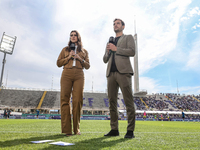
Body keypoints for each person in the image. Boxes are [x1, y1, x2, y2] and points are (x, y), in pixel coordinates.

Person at [103, 18, 136, 138]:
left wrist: (116, 49)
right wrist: (108, 51)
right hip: (110, 74)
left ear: (123, 26)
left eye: (117, 23)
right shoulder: (110, 41)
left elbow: (132, 51)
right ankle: (114, 129)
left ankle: (130, 131)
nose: (115, 25)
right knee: (111, 102)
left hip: (124, 72)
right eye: (114, 24)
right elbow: (105, 60)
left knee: (128, 101)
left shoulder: (128, 37)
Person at [57, 30, 90, 136]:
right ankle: (67, 130)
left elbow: (88, 66)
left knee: (77, 101)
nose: (73, 37)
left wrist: (79, 58)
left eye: (75, 35)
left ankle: (76, 129)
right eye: (71, 35)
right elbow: (58, 63)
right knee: (64, 100)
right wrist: (68, 57)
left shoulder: (84, 51)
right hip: (66, 73)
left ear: (78, 37)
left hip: (79, 75)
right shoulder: (65, 49)